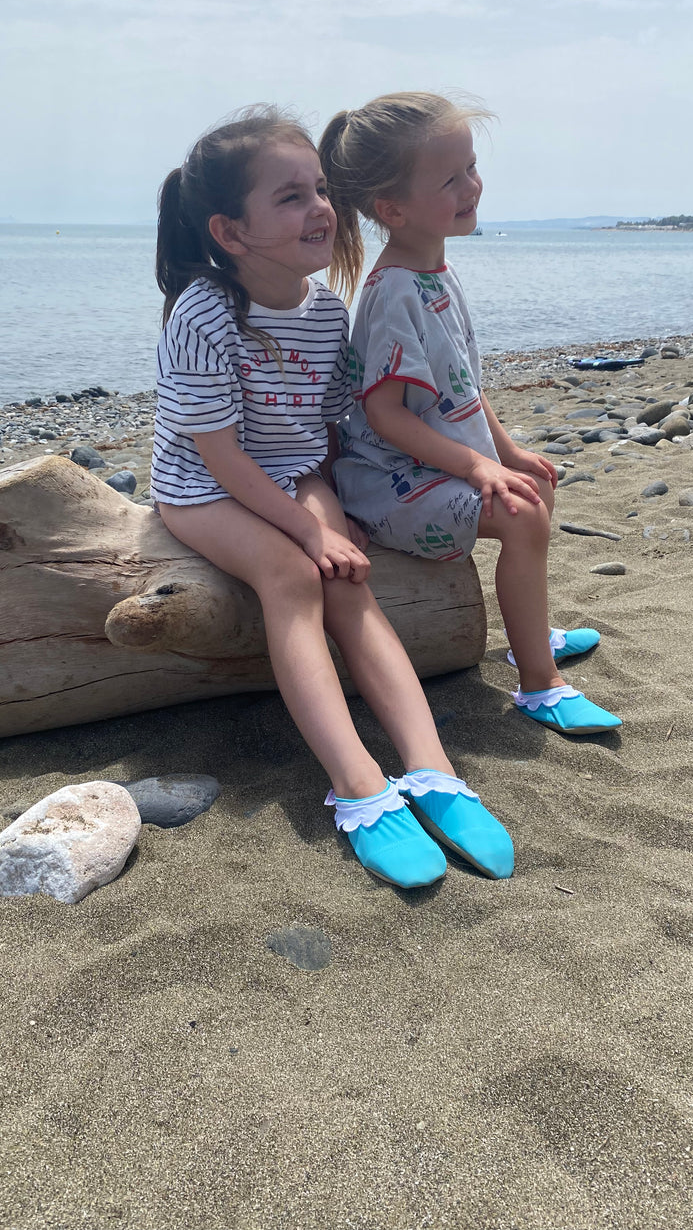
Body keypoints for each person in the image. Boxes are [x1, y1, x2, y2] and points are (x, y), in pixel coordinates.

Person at [150, 106, 514, 889]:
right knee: (292, 577)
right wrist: (308, 535)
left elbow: (322, 435)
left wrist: (340, 514)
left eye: (319, 188)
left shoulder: (325, 313)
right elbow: (221, 457)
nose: (321, 207)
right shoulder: (202, 314)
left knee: (352, 578)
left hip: (291, 471)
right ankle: (357, 783)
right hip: (204, 487)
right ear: (230, 231)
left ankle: (431, 769)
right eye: (289, 197)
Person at [319, 92, 621, 736]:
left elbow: (463, 385)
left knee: (533, 484)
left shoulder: (437, 274)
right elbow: (387, 417)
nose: (471, 186)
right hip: (389, 482)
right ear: (391, 209)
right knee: (518, 509)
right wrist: (480, 468)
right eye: (449, 179)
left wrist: (506, 453)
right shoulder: (395, 290)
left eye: (471, 168)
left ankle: (528, 635)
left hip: (431, 464)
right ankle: (540, 684)